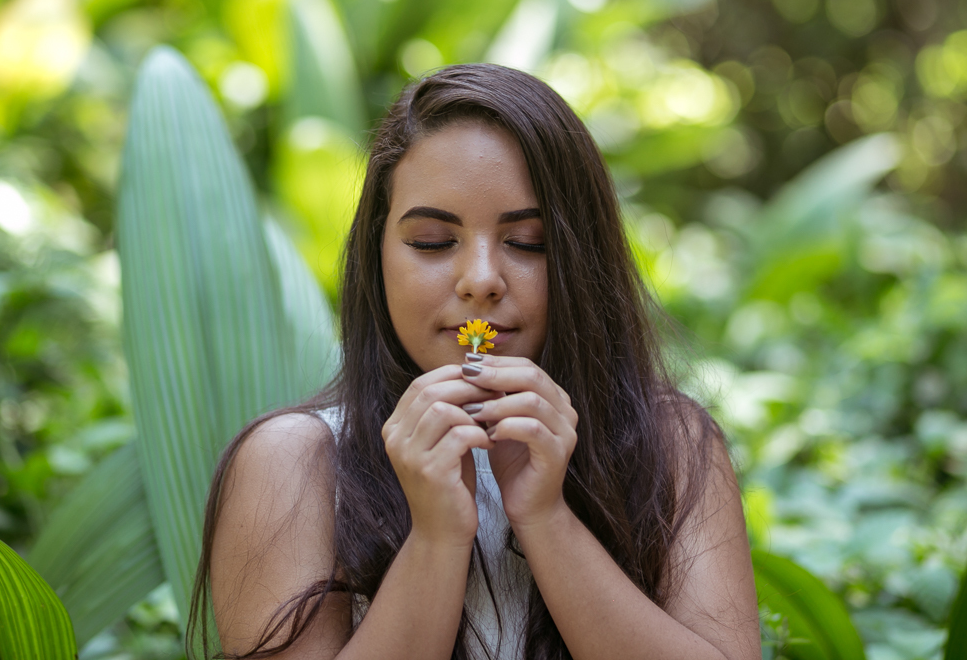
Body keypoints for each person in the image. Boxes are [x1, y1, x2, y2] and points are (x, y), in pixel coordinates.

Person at [188, 64, 761, 660]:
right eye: (433, 242)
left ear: (582, 257)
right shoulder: (294, 462)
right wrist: (436, 537)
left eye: (528, 242)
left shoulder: (669, 444)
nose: (482, 280)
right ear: (376, 254)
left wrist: (545, 517)